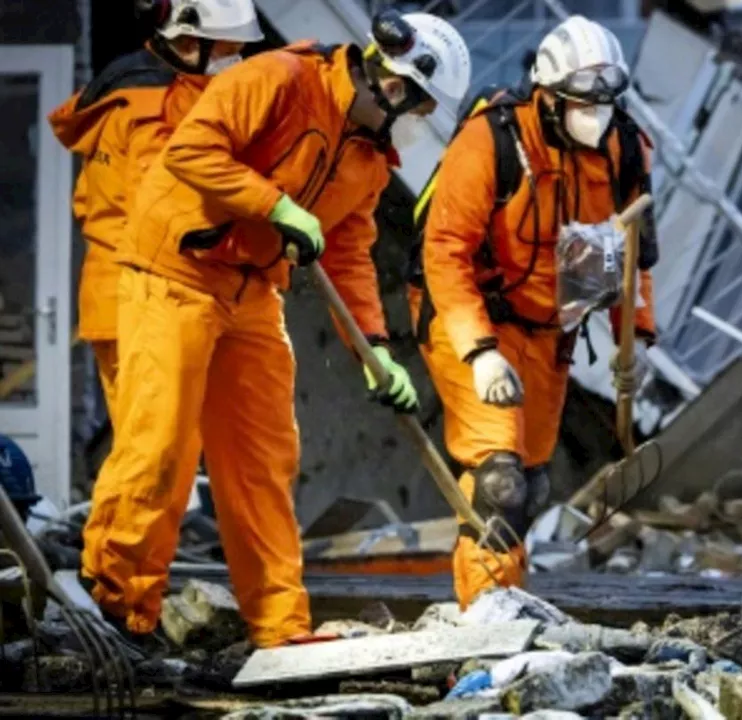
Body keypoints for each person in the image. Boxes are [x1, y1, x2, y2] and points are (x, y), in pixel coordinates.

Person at [86, 9, 470, 648]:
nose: (413, 118)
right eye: (418, 104)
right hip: (175, 269)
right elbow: (190, 149)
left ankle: (281, 630)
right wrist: (275, 204)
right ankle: (119, 607)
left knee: (264, 462)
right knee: (160, 449)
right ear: (392, 81)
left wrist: (376, 350)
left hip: (253, 291)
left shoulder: (370, 160)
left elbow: (347, 253)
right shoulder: (281, 78)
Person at [411, 14, 658, 609]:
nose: (593, 116)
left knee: (533, 482)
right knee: (499, 481)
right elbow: (444, 253)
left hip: (551, 331)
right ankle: (487, 621)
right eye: (580, 103)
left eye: (604, 104)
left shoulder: (624, 147)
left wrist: (639, 341)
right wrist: (480, 351)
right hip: (469, 313)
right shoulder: (491, 142)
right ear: (547, 96)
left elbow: (635, 257)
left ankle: (507, 605)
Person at [48, 0, 261, 588]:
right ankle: (114, 594)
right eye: (227, 51)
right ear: (187, 42)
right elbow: (167, 206)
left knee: (154, 453)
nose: (235, 61)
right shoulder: (152, 104)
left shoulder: (151, 90)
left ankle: (127, 594)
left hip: (131, 289)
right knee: (153, 458)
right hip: (140, 289)